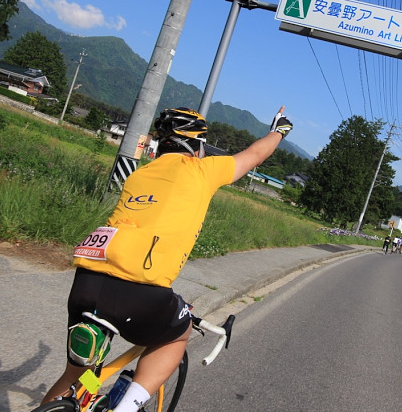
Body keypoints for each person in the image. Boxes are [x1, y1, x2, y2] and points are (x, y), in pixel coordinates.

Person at [41, 106, 293, 409]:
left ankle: (68, 397)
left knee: (76, 377)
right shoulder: (201, 170)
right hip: (138, 291)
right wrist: (279, 130)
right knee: (177, 333)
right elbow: (254, 155)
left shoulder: (140, 173)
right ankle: (127, 406)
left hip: (87, 282)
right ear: (196, 146)